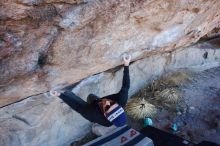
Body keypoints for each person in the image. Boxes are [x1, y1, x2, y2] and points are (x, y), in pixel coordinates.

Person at [50, 54, 131, 127]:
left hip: (93, 110)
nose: (107, 102)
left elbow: (77, 106)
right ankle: (96, 102)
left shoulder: (92, 114)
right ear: (119, 104)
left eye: (107, 107)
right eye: (112, 103)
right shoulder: (122, 99)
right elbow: (126, 86)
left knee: (72, 97)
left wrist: (60, 95)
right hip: (97, 103)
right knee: (91, 97)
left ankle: (66, 93)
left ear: (105, 115)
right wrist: (126, 64)